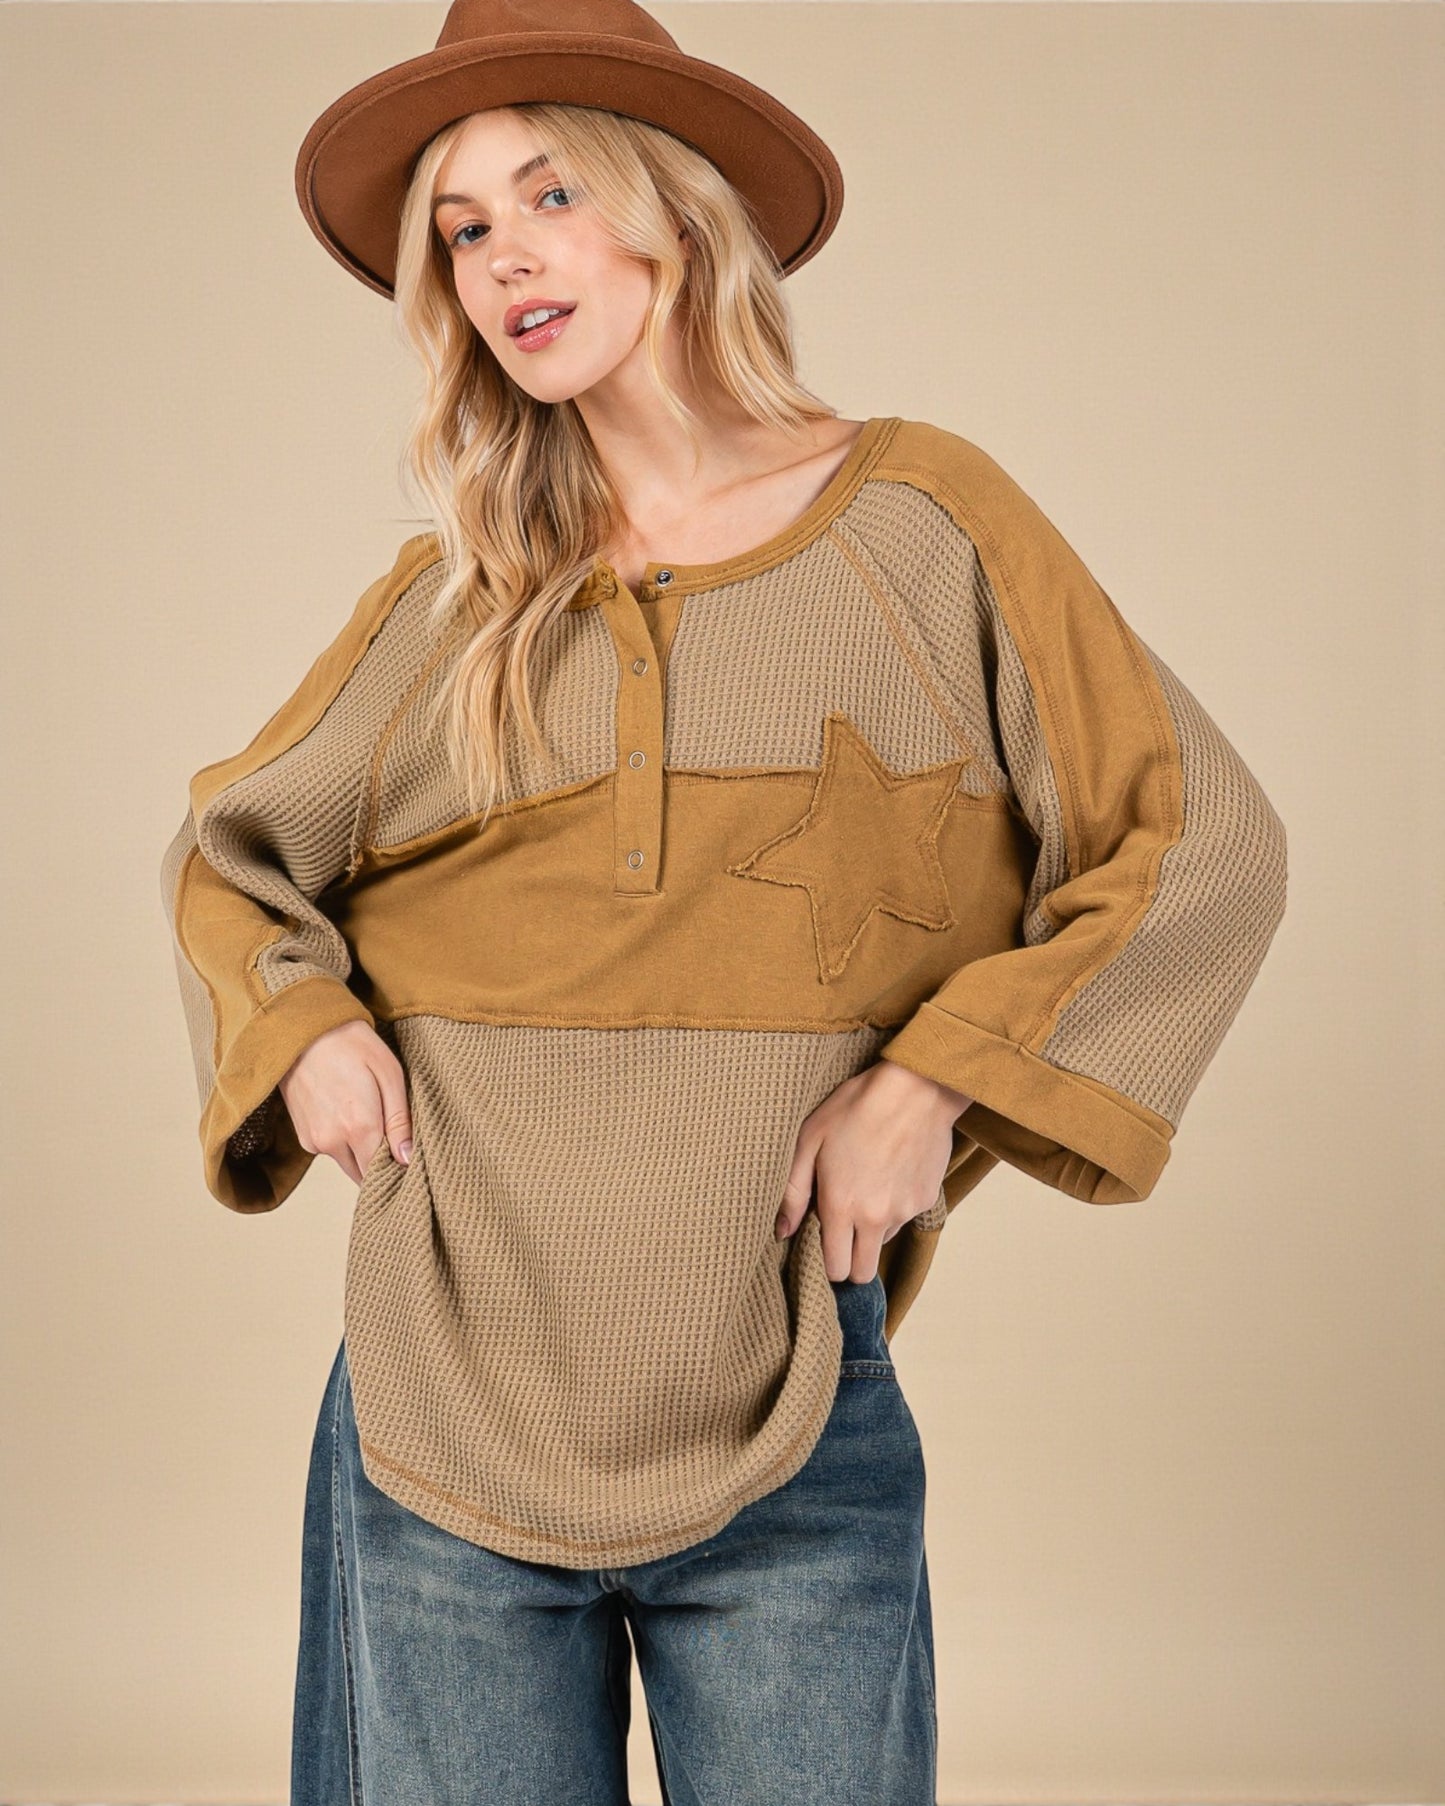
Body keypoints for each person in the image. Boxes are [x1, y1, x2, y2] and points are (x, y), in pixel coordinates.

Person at [159, 0, 1289, 1800]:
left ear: (671, 213)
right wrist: (301, 1025)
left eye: (546, 192)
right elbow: (229, 857)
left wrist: (934, 1082)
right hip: (442, 1401)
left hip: (783, 1390)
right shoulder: (453, 603)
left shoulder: (924, 524)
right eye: (461, 227)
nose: (504, 252)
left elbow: (1200, 842)